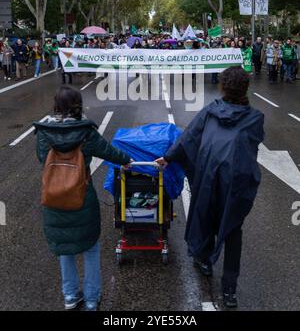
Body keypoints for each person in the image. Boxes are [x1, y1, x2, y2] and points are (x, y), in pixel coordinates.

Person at [155, 66, 264, 308]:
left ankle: (203, 260)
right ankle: (229, 290)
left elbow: (189, 137)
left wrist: (169, 157)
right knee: (233, 230)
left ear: (223, 87)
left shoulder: (211, 111)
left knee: (206, 218)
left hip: (207, 178)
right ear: (245, 88)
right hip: (236, 185)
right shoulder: (255, 118)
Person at [34, 86, 131, 311]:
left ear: (56, 106)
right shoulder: (85, 131)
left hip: (54, 198)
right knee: (91, 249)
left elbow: (42, 159)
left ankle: (69, 296)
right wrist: (126, 159)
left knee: (64, 249)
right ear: (78, 105)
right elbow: (109, 151)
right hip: (82, 198)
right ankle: (90, 299)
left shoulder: (44, 131)